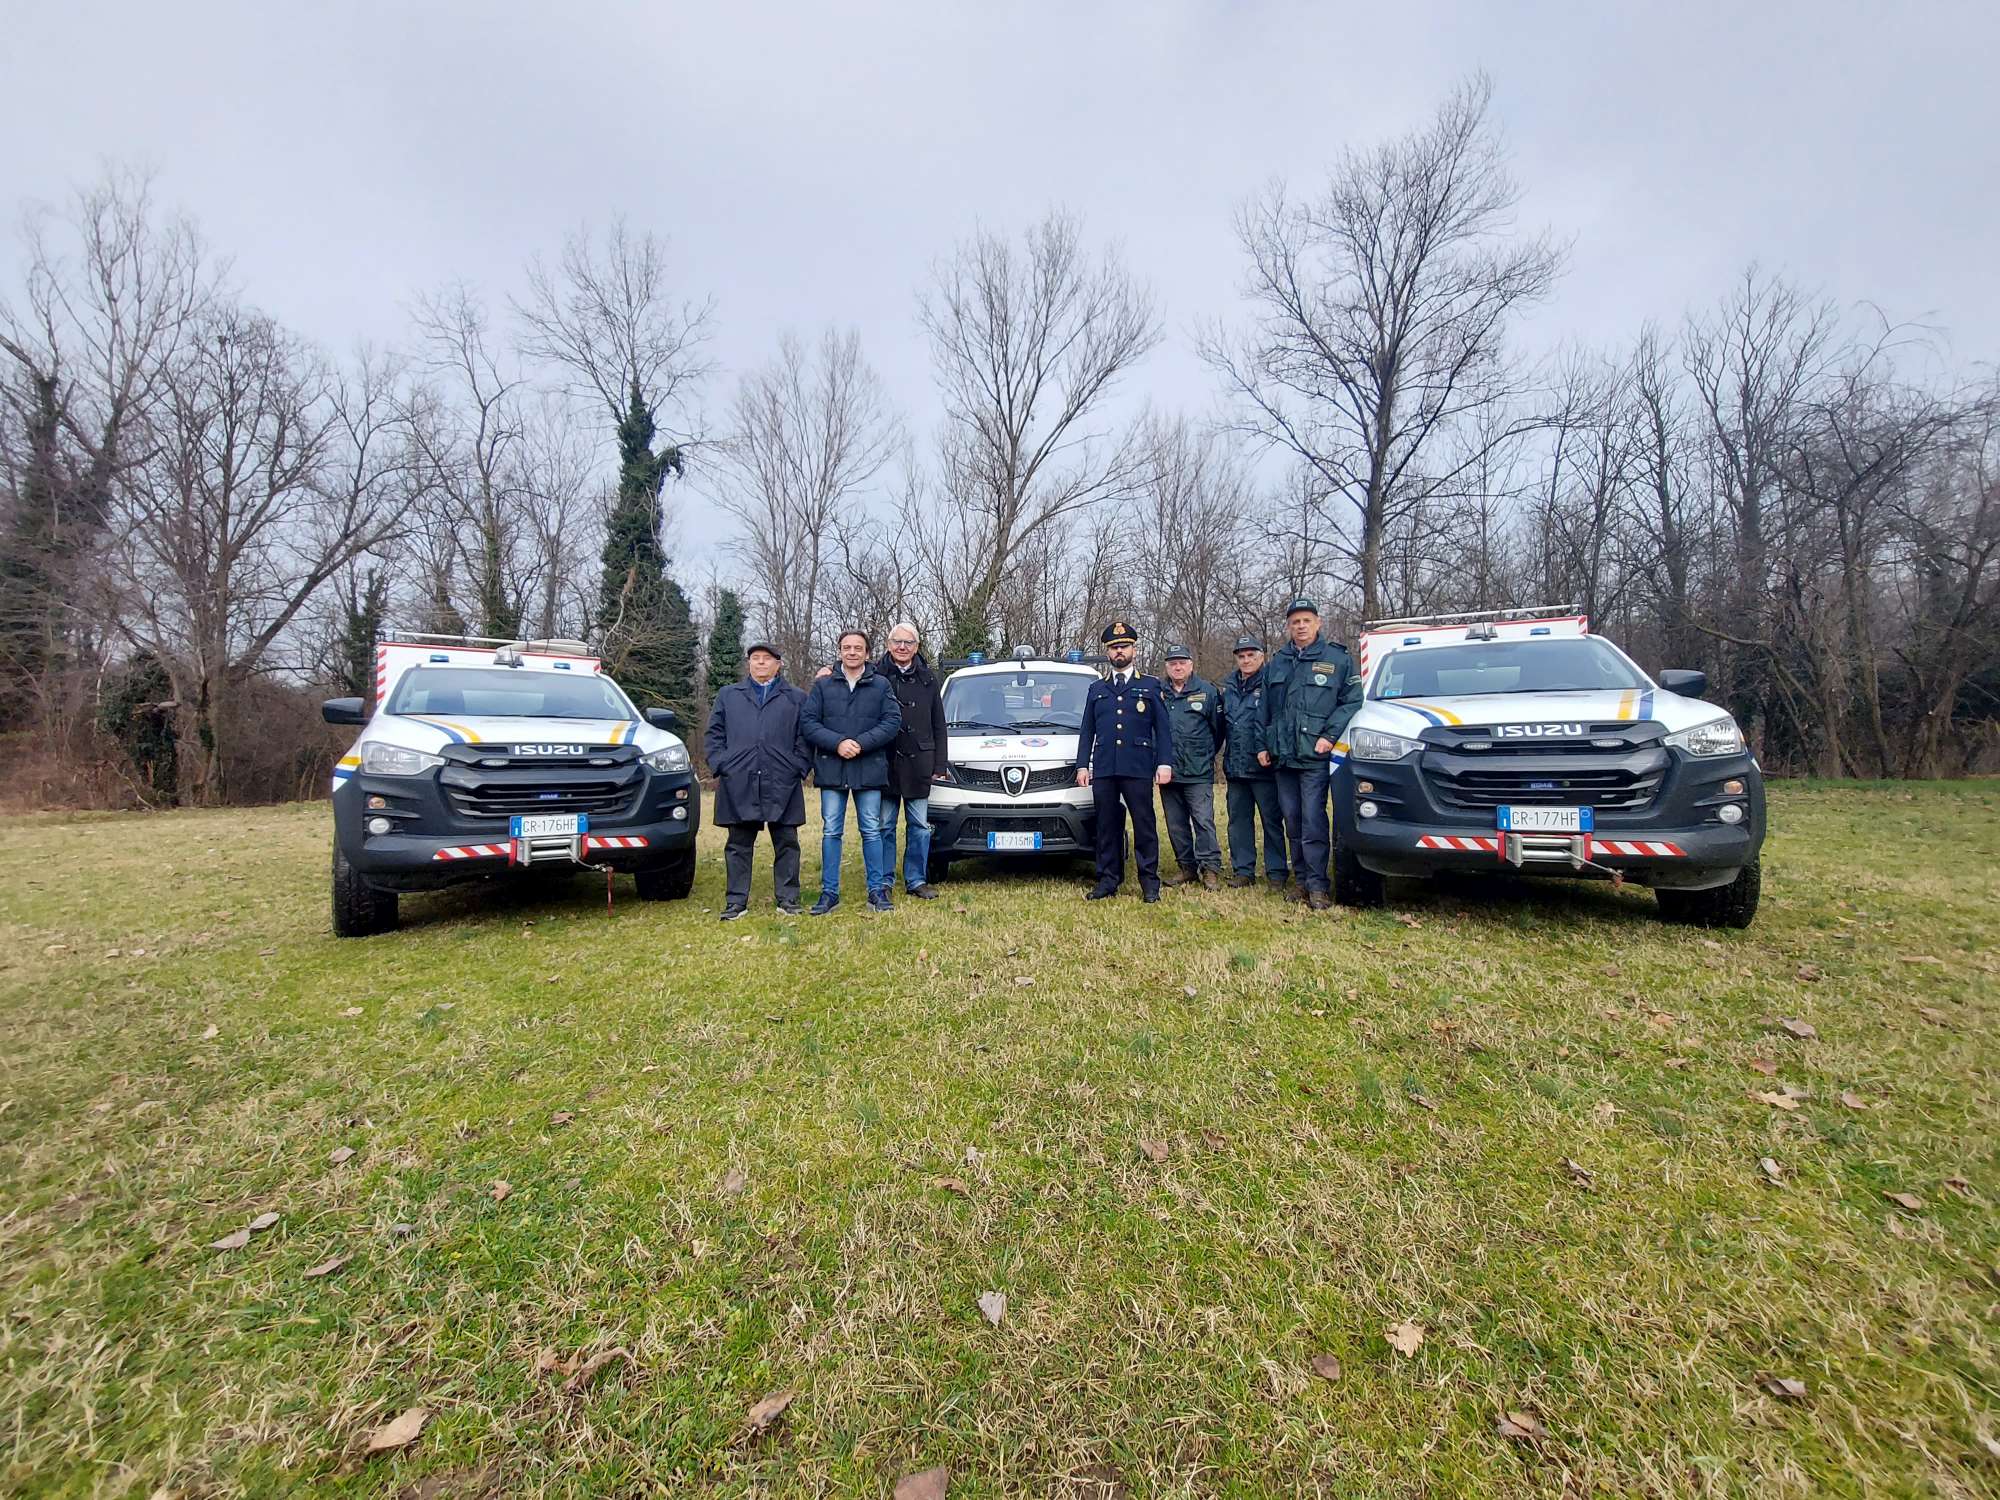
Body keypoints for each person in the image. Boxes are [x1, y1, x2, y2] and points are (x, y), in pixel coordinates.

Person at [1258, 597, 1364, 910]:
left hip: (1314, 756)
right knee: (1292, 820)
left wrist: (1329, 736)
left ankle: (1318, 886)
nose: (1300, 626)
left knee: (1313, 820)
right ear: (1288, 627)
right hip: (1283, 756)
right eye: (1295, 622)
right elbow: (1263, 708)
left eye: (1306, 621)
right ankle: (1301, 880)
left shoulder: (1337, 659)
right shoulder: (1277, 662)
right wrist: (1262, 745)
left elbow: (1352, 701)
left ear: (1317, 623)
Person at [704, 642, 811, 920]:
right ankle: (736, 902)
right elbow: (714, 734)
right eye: (755, 658)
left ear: (778, 664)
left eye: (767, 659)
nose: (760, 663)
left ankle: (788, 899)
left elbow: (805, 737)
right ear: (748, 663)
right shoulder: (729, 695)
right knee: (738, 843)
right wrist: (721, 764)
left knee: (787, 841)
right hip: (739, 779)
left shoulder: (796, 698)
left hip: (782, 780)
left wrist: (798, 767)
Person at [800, 628, 903, 915]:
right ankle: (829, 893)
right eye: (847, 647)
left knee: (871, 830)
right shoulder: (823, 686)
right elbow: (808, 723)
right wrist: (838, 743)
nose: (852, 652)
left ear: (867, 653)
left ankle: (877, 891)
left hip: (868, 768)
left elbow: (892, 721)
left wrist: (861, 743)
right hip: (832, 769)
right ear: (840, 651)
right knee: (831, 830)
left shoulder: (881, 685)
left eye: (858, 648)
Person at [1074, 620, 1174, 902]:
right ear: (1107, 652)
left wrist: (1164, 763)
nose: (1120, 652)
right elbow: (1087, 730)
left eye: (1124, 647)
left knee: (1144, 824)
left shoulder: (1150, 686)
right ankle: (1108, 879)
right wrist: (1083, 765)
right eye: (1115, 648)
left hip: (1138, 766)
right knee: (1106, 826)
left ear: (1134, 650)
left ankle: (1149, 882)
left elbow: (1163, 730)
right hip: (1105, 767)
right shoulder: (1097, 689)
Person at [877, 621, 948, 898]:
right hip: (885, 763)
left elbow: (939, 726)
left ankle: (916, 879)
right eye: (897, 642)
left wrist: (940, 765)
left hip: (920, 763)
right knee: (884, 825)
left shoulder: (929, 679)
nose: (902, 647)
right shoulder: (876, 676)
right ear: (888, 644)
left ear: (916, 647)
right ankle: (883, 880)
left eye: (908, 643)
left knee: (919, 826)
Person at [1218, 635, 1288, 890]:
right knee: (1238, 822)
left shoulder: (1272, 684)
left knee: (1271, 822)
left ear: (1262, 656)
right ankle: (1243, 870)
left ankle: (1277, 873)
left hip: (1263, 768)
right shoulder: (1229, 688)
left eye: (1251, 655)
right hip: (1236, 768)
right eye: (1241, 656)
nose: (1246, 660)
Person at [1157, 643, 1224, 890]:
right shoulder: (1158, 692)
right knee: (1175, 824)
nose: (1177, 667)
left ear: (1191, 665)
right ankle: (1187, 868)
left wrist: (1204, 755)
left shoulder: (1207, 692)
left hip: (1198, 771)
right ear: (1167, 666)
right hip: (1168, 771)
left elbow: (1219, 731)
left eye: (1182, 662)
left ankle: (1210, 869)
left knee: (1203, 820)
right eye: (1173, 663)